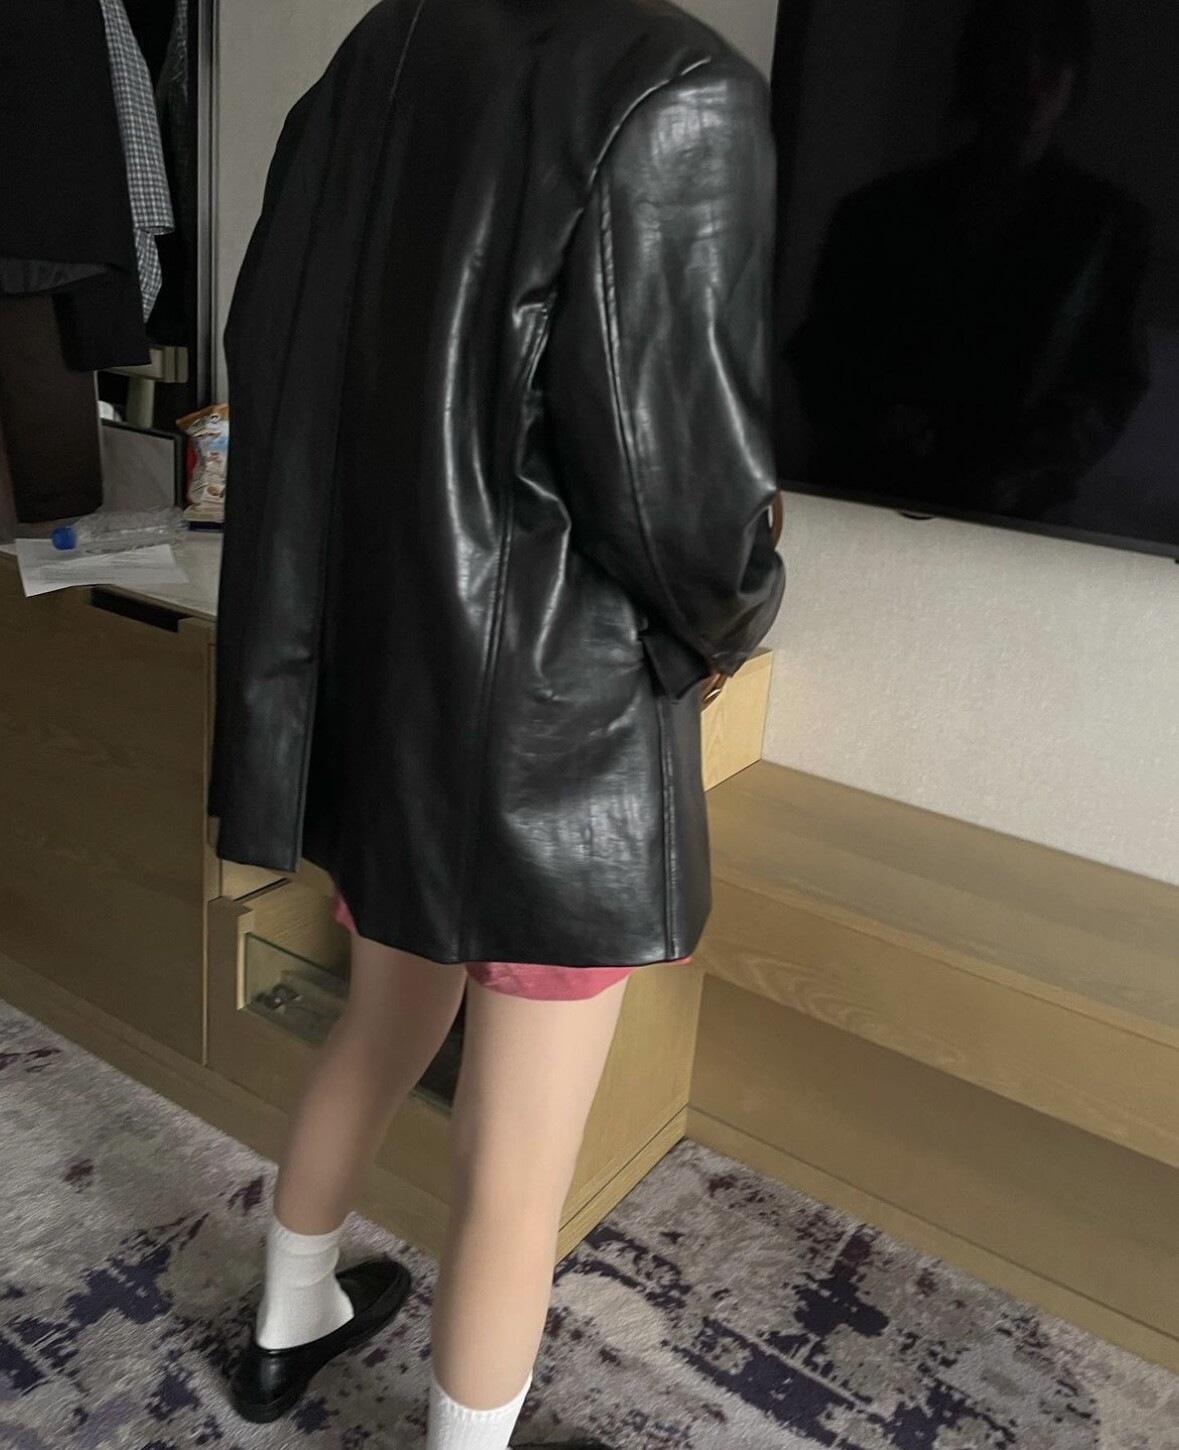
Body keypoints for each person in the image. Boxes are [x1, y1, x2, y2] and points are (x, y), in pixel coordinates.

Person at [208, 1, 785, 1446]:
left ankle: (286, 1320)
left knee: (378, 1023)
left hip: (392, 688)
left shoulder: (384, 46)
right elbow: (675, 484)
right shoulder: (675, 86)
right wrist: (733, 619)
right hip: (548, 730)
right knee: (516, 1166)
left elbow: (271, 348)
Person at [789, 0, 1150, 521]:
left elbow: (1111, 382)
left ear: (1076, 73)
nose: (1029, 78)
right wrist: (876, 421)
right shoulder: (876, 213)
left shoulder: (1109, 227)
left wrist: (1026, 469)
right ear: (978, 64)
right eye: (1010, 54)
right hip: (869, 500)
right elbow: (822, 353)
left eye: (1051, 56)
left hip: (1018, 523)